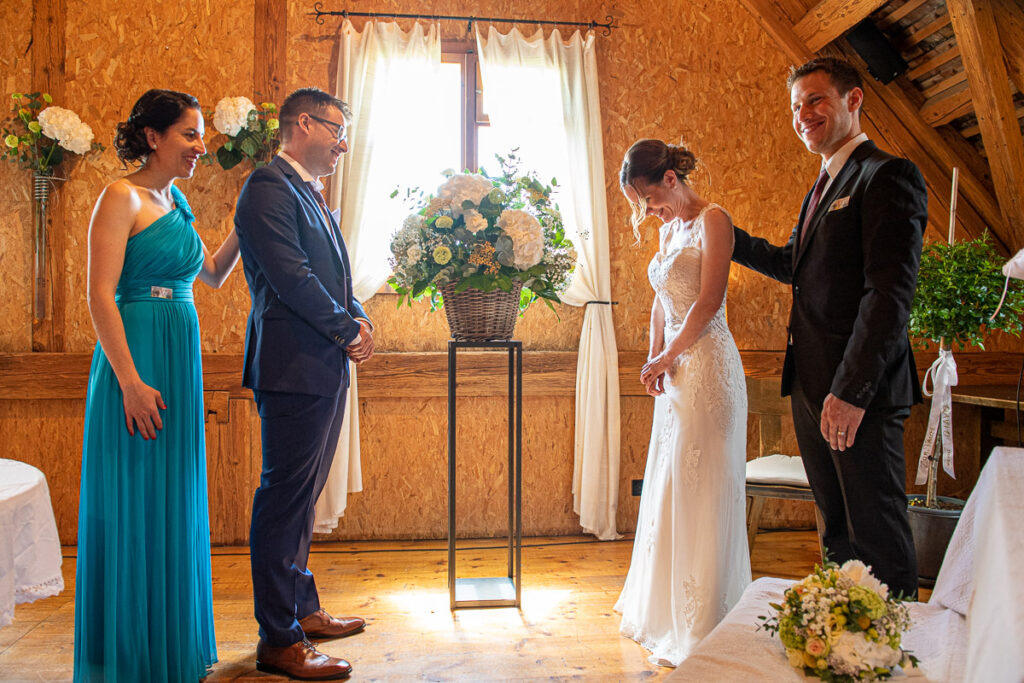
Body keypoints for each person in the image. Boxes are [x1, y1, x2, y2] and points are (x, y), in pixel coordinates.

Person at [731, 57, 926, 597]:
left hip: (856, 389)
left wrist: (851, 390)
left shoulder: (887, 175)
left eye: (815, 100)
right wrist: (724, 233)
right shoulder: (820, 186)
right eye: (797, 106)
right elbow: (796, 264)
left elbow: (888, 295)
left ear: (853, 100)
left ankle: (891, 655)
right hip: (811, 386)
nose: (803, 115)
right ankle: (845, 651)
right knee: (836, 530)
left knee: (876, 532)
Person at [74, 89, 240, 681]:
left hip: (180, 351)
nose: (200, 146)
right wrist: (130, 382)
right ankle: (127, 654)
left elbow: (213, 275)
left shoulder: (174, 200)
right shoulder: (120, 196)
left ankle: (169, 647)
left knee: (175, 500)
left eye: (200, 136)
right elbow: (99, 295)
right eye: (189, 135)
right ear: (154, 137)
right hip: (136, 359)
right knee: (133, 502)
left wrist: (245, 220)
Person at [234, 87, 374, 680]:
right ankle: (279, 639)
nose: (343, 142)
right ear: (304, 124)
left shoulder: (308, 192)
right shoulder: (268, 187)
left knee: (303, 497)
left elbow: (332, 272)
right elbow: (291, 276)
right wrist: (346, 329)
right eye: (336, 128)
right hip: (293, 367)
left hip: (321, 364)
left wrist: (359, 314)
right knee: (284, 499)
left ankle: (304, 608)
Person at [614, 139, 751, 667]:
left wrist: (670, 354)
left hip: (708, 366)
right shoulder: (669, 230)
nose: (649, 212)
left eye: (649, 199)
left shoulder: (713, 220)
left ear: (671, 179)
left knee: (703, 484)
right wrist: (655, 356)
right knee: (671, 482)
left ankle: (704, 618)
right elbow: (659, 300)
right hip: (673, 371)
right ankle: (666, 607)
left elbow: (709, 300)